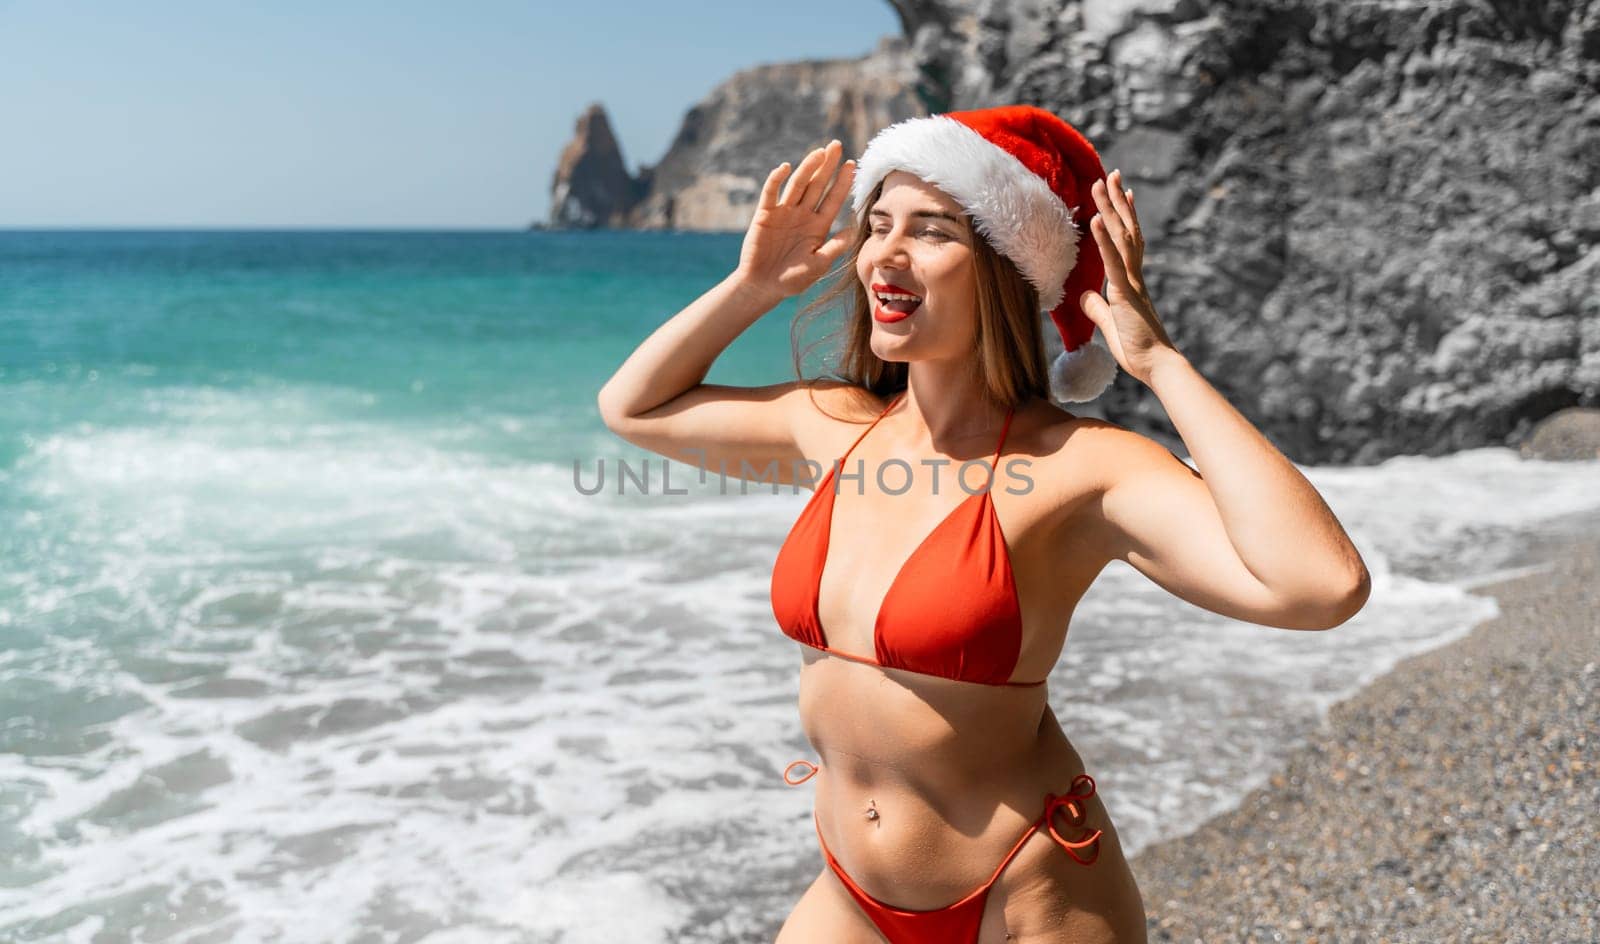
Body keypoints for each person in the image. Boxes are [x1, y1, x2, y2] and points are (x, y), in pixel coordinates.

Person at [597, 105, 1371, 943]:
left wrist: (1160, 364)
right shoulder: (834, 425)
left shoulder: (1080, 467)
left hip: (1029, 895)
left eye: (930, 232)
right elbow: (633, 409)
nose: (885, 255)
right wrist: (752, 288)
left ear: (1005, 267)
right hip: (851, 893)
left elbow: (1321, 587)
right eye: (877, 225)